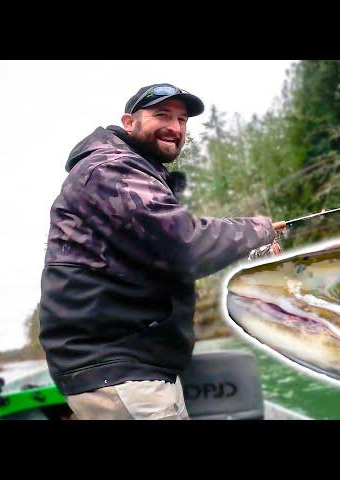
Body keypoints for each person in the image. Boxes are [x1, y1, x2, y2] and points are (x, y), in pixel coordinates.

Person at [39, 83, 285, 420]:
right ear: (129, 122)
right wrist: (257, 229)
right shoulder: (112, 169)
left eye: (182, 120)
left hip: (133, 368)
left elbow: (168, 244)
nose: (175, 127)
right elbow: (183, 244)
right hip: (120, 370)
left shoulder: (128, 170)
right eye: (162, 115)